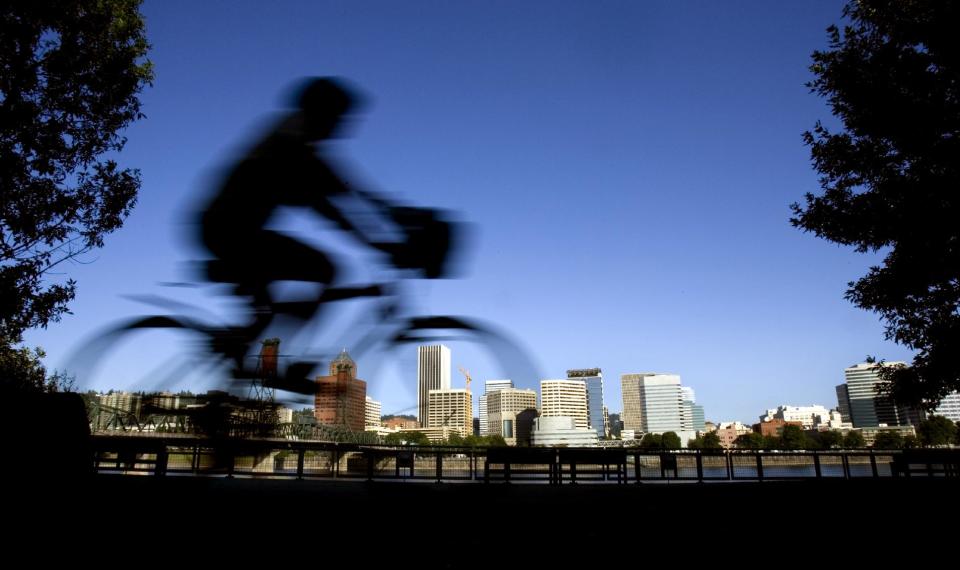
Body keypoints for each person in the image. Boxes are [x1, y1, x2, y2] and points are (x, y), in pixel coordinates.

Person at [198, 77, 453, 391]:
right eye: (338, 117)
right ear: (322, 113)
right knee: (325, 269)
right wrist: (378, 242)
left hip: (228, 228)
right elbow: (333, 206)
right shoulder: (292, 145)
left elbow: (355, 193)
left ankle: (234, 362)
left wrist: (393, 219)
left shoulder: (299, 141)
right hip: (227, 229)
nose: (341, 126)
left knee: (264, 312)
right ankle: (279, 365)